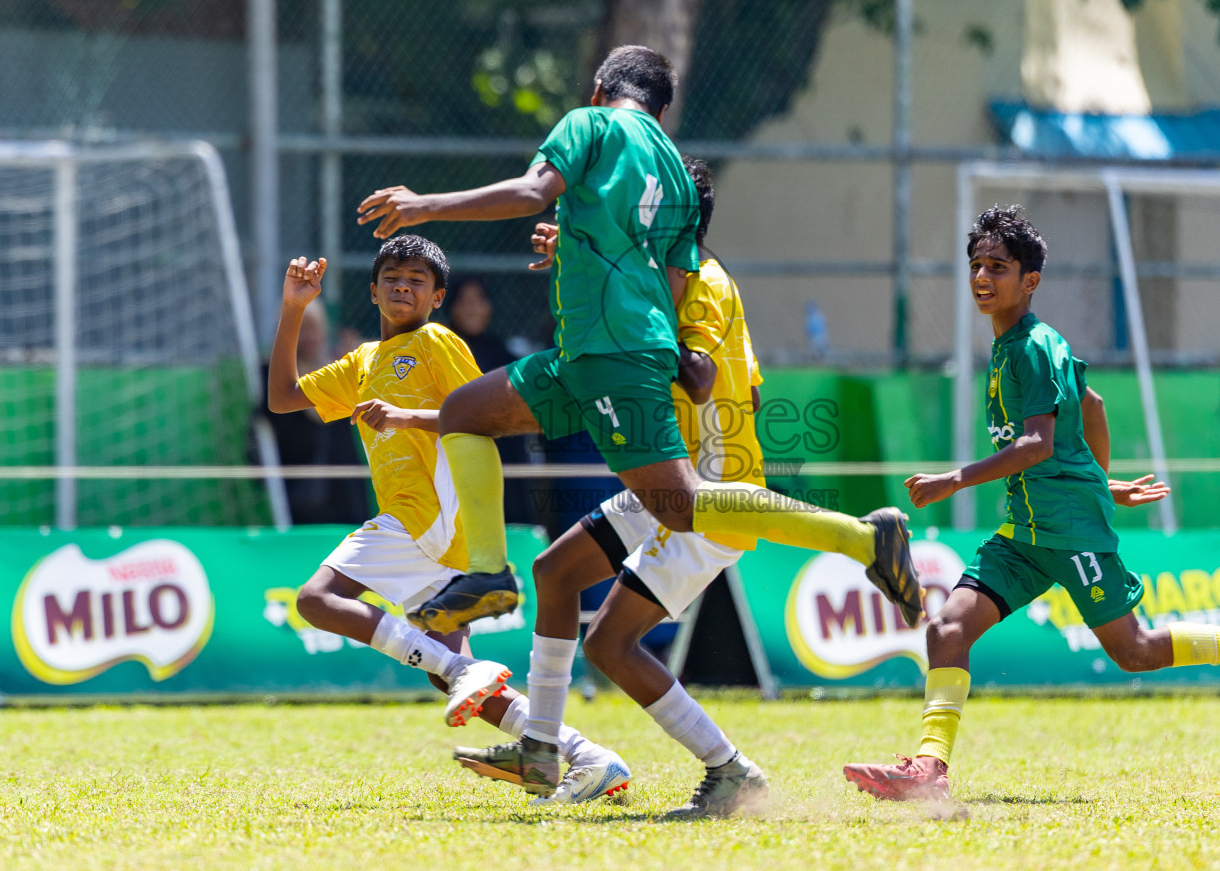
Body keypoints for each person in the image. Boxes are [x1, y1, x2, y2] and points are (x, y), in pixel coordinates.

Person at [355, 46, 922, 810]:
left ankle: (858, 545)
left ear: (598, 89)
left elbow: (538, 195)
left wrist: (427, 206)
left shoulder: (592, 126)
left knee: (648, 568)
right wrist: (588, 257)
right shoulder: (674, 182)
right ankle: (542, 744)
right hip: (595, 362)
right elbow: (669, 288)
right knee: (541, 547)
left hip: (680, 437)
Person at [841, 205, 1220, 805]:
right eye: (975, 264)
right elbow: (1094, 404)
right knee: (948, 628)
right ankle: (930, 770)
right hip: (1026, 531)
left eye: (997, 266)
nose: (982, 276)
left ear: (1030, 281)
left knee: (1135, 651)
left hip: (1071, 532)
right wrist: (1102, 483)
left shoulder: (1031, 347)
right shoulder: (1014, 346)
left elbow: (1038, 443)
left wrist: (956, 480)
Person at [453, 157, 776, 817]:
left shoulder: (702, 286)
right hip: (671, 481)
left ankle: (731, 770)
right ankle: (540, 748)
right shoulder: (663, 280)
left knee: (609, 644)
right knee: (555, 571)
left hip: (709, 499)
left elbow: (701, 375)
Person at [267, 235, 630, 802]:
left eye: (417, 279)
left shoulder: (436, 340)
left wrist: (406, 416)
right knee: (445, 667)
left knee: (317, 599)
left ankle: (468, 675)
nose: (402, 285)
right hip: (423, 530)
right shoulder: (362, 361)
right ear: (373, 289)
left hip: (429, 515)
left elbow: (482, 416)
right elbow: (284, 397)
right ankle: (586, 757)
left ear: (437, 297)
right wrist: (294, 307)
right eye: (392, 276)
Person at [442, 275, 540, 528]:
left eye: (479, 300)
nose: (472, 308)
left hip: (502, 455)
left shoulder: (502, 354)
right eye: (464, 301)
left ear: (489, 308)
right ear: (451, 306)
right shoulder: (441, 350)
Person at [258, 303, 370, 525]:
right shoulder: (272, 377)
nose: (308, 336)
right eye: (300, 329)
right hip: (298, 494)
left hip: (345, 493)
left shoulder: (343, 368)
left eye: (313, 328)